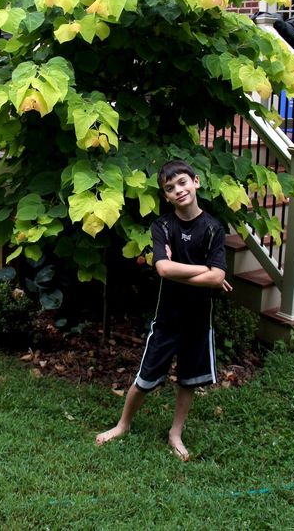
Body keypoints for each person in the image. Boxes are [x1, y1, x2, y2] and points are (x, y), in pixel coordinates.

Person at [96, 159, 232, 460]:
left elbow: (217, 276)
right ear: (166, 196)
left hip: (198, 319)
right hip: (168, 318)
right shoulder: (162, 226)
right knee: (145, 377)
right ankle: (123, 424)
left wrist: (207, 275)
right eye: (170, 188)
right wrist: (206, 273)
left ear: (196, 182)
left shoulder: (212, 228)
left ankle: (175, 433)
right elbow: (163, 269)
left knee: (188, 380)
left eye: (182, 182)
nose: (178, 190)